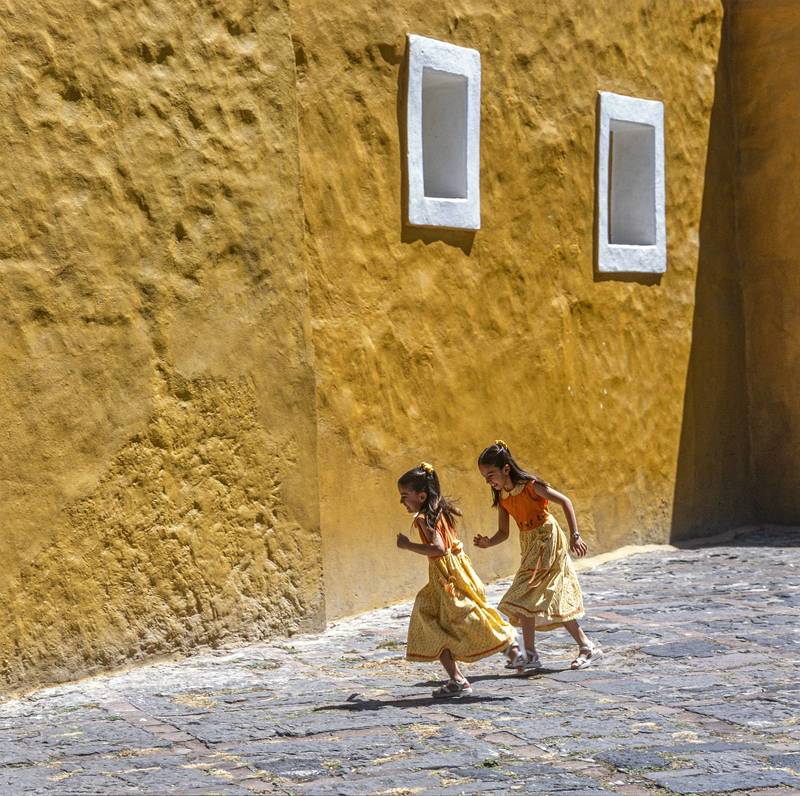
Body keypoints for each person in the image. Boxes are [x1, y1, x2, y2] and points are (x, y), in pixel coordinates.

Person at [473, 441, 601, 671]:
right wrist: (488, 542)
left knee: (531, 594)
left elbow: (565, 502)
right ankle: (542, 653)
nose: (488, 481)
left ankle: (577, 647)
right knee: (533, 597)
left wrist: (575, 536)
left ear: (506, 469)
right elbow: (503, 532)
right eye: (484, 477)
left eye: (490, 474)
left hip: (548, 539)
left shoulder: (531, 486)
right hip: (529, 544)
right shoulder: (502, 497)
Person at [396, 462, 520, 698]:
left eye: (404, 496)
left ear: (421, 496)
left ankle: (503, 648)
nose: (402, 502)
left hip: (446, 577)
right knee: (445, 616)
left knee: (453, 618)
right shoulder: (439, 509)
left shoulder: (423, 517)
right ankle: (464, 674)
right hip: (457, 569)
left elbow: (439, 549)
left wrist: (408, 545)